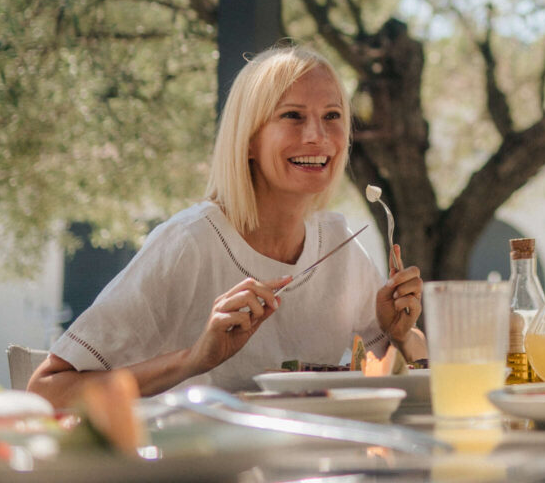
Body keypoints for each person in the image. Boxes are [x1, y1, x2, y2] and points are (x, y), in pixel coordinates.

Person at [29, 44, 424, 404]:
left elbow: (397, 371)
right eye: (292, 116)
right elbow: (48, 390)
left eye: (332, 116)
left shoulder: (341, 244)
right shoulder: (188, 244)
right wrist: (194, 358)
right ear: (249, 139)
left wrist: (400, 334)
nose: (317, 136)